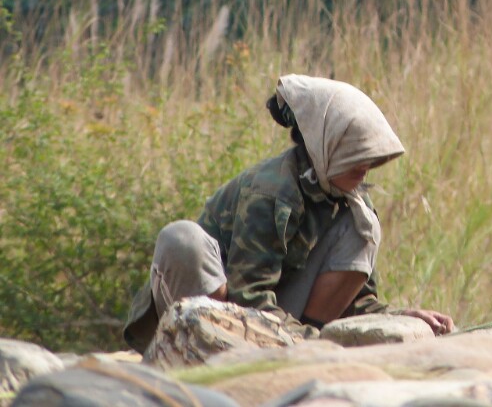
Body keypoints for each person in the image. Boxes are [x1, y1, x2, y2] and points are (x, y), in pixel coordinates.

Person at [124, 74, 453, 353]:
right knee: (181, 238)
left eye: (369, 157)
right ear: (322, 147)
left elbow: (360, 303)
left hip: (280, 325)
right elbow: (247, 295)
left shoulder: (351, 206)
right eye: (354, 155)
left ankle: (298, 355)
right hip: (218, 312)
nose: (365, 166)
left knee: (362, 228)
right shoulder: (270, 194)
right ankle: (214, 353)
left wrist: (400, 317)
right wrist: (309, 344)